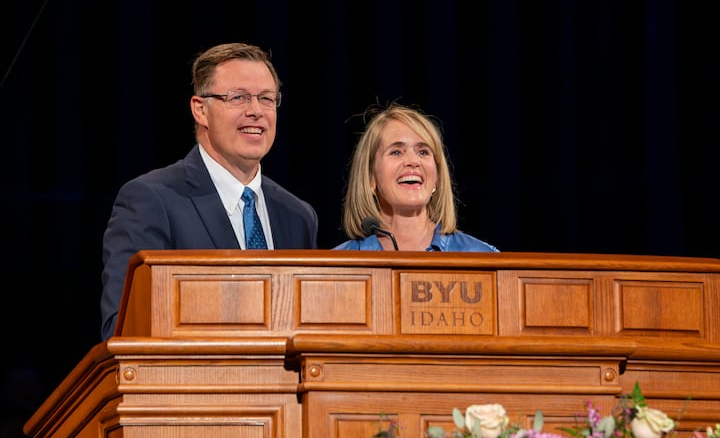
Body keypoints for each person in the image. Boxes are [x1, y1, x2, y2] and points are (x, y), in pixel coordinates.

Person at [99, 42, 318, 340]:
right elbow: (124, 329)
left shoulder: (298, 216)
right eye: (238, 97)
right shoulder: (152, 200)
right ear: (200, 110)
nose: (256, 111)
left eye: (267, 99)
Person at [334, 102, 499, 252]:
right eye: (396, 152)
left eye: (423, 152)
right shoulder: (338, 265)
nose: (413, 161)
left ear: (437, 178)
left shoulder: (482, 256)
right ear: (370, 178)